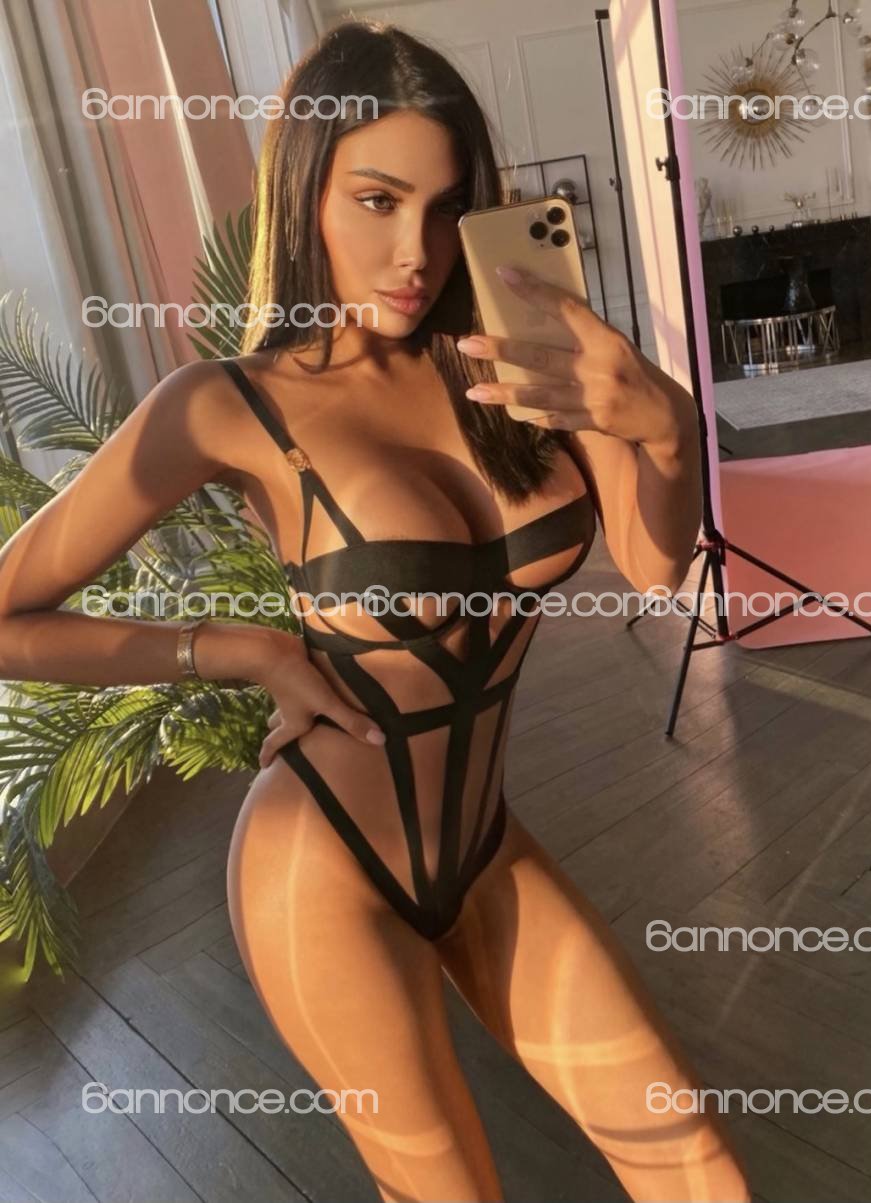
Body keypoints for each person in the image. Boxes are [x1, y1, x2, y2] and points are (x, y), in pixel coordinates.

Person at [0, 17, 750, 1203]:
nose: (417, 251)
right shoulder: (225, 404)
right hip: (321, 873)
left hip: (486, 845)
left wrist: (662, 423)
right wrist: (239, 650)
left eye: (446, 208)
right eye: (376, 201)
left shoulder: (520, 363)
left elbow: (657, 568)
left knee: (694, 1160)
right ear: (304, 195)